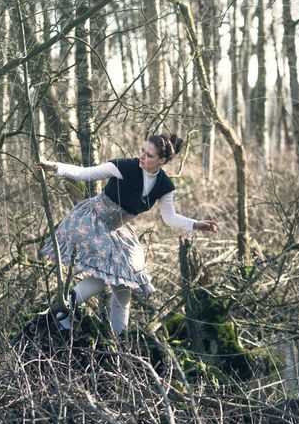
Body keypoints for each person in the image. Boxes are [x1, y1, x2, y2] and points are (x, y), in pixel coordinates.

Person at [35, 134, 218, 335]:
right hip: (92, 220)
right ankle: (63, 310)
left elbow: (170, 217)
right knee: (107, 270)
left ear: (162, 161)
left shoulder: (164, 185)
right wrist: (55, 167)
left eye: (148, 155)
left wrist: (197, 225)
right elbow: (84, 173)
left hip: (116, 229)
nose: (141, 157)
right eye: (142, 151)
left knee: (123, 282)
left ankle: (119, 337)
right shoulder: (124, 167)